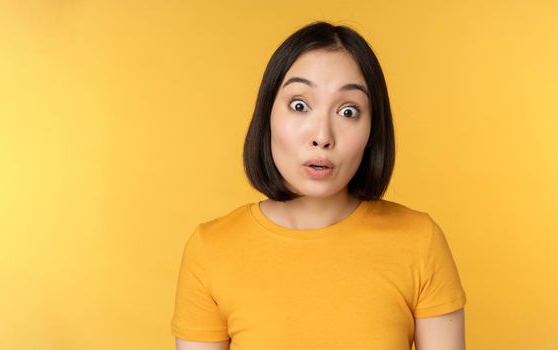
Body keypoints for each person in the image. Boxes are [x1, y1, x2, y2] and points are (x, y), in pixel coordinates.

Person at [170, 21, 467, 350]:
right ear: (267, 115)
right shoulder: (211, 250)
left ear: (372, 132)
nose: (322, 136)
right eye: (299, 105)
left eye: (348, 111)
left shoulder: (419, 241)